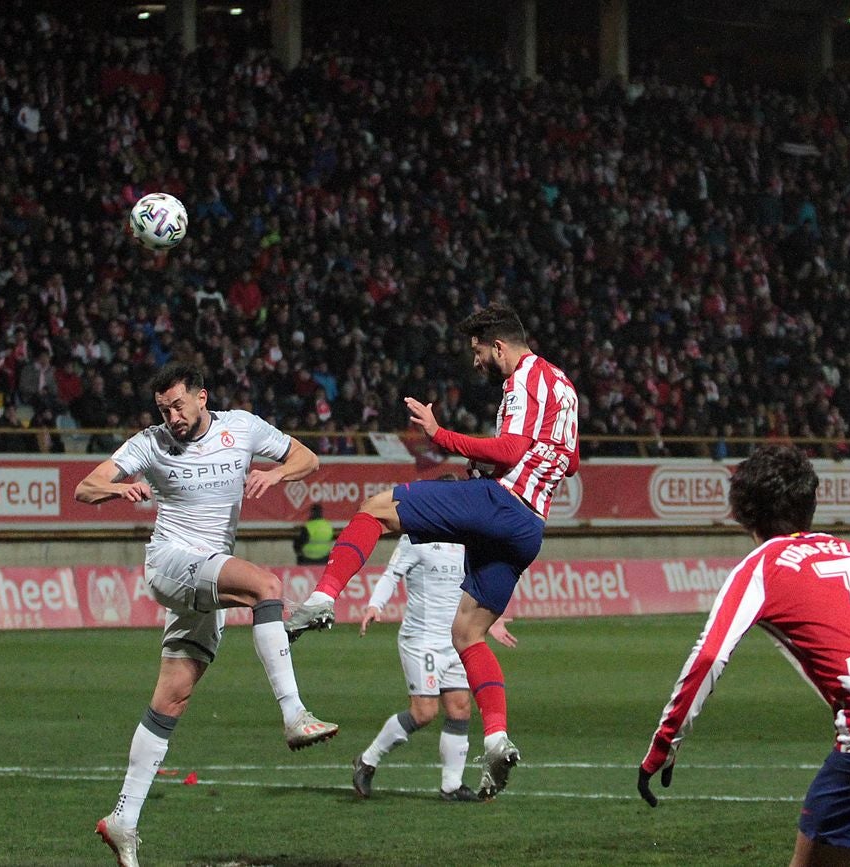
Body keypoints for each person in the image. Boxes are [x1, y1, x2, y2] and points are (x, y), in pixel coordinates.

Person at [286, 304, 579, 800]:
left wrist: (440, 435)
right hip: (531, 526)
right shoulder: (564, 386)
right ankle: (497, 738)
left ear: (499, 346)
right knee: (467, 633)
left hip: (500, 503)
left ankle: (322, 599)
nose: (477, 362)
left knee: (376, 509)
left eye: (479, 352)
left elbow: (510, 451)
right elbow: (569, 463)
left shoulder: (523, 379)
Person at [638, 445, 850, 865]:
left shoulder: (761, 567)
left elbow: (710, 655)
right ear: (811, 503)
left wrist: (664, 743)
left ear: (742, 513)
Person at [74, 363, 337, 867]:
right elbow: (86, 486)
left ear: (201, 397)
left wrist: (278, 471)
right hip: (172, 563)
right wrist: (117, 488)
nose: (171, 416)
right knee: (266, 587)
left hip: (206, 578)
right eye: (163, 408)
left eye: (177, 405)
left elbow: (308, 457)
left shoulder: (242, 426)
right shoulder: (149, 442)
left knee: (173, 697)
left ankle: (122, 820)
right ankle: (293, 714)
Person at [354, 514, 518, 802]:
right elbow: (391, 575)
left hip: (457, 639)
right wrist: (374, 605)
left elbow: (481, 585)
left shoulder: (468, 543)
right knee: (424, 713)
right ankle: (367, 761)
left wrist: (493, 620)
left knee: (460, 708)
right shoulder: (415, 540)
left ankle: (451, 786)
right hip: (422, 641)